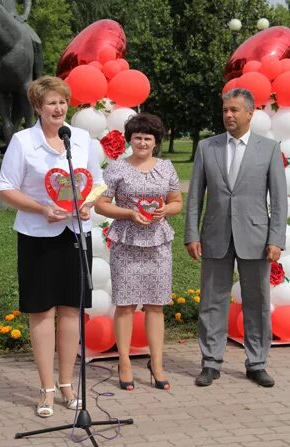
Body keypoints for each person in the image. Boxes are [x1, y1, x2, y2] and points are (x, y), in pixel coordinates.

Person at [0, 76, 102, 417]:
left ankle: (68, 384)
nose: (58, 108)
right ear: (38, 107)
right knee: (42, 311)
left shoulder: (81, 139)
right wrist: (42, 209)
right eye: (51, 103)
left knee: (72, 310)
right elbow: (6, 188)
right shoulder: (23, 141)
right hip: (37, 235)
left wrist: (88, 204)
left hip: (75, 233)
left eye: (62, 102)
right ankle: (46, 387)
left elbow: (98, 183)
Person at [185, 88, 287, 388]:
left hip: (256, 238)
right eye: (225, 110)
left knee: (257, 302)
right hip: (215, 235)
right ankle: (210, 362)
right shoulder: (207, 147)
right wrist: (191, 233)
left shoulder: (268, 149)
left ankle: (257, 363)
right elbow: (195, 197)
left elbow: (279, 200)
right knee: (212, 302)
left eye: (235, 110)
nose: (228, 115)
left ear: (250, 113)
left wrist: (276, 239)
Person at [94, 113, 182, 391]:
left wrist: (165, 210)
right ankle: (124, 362)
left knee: (156, 305)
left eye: (148, 138)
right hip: (127, 242)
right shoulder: (116, 168)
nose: (142, 142)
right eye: (137, 137)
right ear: (130, 139)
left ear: (156, 142)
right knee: (126, 304)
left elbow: (177, 201)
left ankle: (156, 363)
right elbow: (101, 205)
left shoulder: (167, 168)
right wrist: (129, 213)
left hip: (158, 242)